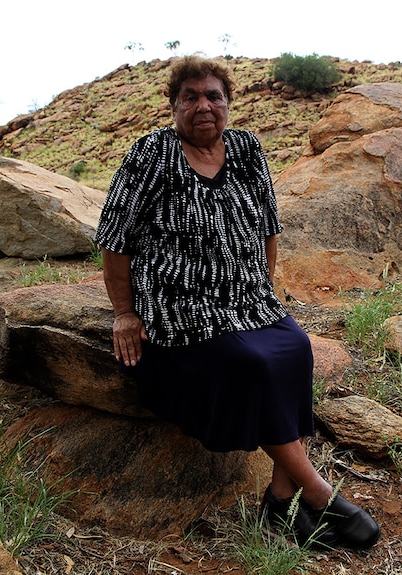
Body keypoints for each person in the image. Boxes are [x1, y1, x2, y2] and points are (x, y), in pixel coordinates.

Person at [94, 56, 379, 549]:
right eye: (191, 97)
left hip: (247, 298)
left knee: (294, 348)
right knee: (248, 364)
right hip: (180, 304)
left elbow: (268, 226)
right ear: (174, 105)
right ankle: (318, 492)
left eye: (213, 96)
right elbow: (115, 238)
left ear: (228, 104)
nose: (203, 106)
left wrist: (264, 294)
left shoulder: (246, 148)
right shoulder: (151, 154)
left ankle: (278, 498)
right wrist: (124, 312)